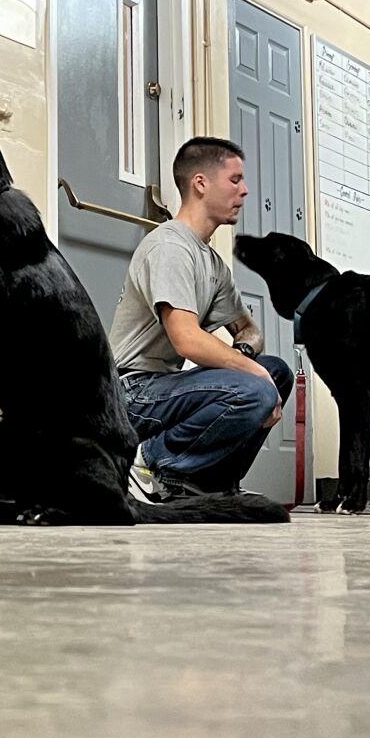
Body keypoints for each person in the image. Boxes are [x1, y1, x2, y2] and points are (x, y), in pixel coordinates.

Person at [109, 137, 287, 501]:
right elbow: (186, 340)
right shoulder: (170, 247)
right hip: (130, 394)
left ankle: (209, 483)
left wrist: (246, 358)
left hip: (162, 389)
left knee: (277, 372)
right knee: (258, 387)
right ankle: (148, 465)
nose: (245, 190)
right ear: (201, 184)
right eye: (235, 180)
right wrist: (253, 376)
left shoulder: (211, 263)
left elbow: (248, 330)